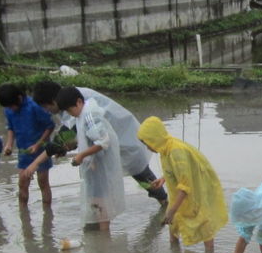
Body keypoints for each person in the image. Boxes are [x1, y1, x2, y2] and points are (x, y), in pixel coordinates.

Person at [32, 80, 165, 202]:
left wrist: (34, 165)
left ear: (53, 101)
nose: (47, 111)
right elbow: (77, 134)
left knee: (140, 174)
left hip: (123, 138)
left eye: (46, 107)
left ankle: (165, 202)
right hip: (107, 142)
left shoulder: (73, 102)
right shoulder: (69, 100)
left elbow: (63, 137)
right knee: (102, 187)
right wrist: (66, 147)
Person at [136, 115, 226, 253]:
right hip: (177, 194)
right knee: (173, 227)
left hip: (190, 193)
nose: (148, 147)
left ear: (154, 138)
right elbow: (175, 171)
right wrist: (163, 179)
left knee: (202, 224)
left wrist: (172, 210)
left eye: (147, 143)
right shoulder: (165, 148)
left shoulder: (175, 151)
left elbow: (185, 186)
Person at [59, 86, 127, 231]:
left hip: (100, 165)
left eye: (70, 110)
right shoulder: (81, 115)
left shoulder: (89, 115)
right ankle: (100, 235)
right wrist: (71, 145)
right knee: (95, 200)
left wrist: (82, 155)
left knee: (100, 200)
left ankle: (104, 237)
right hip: (94, 165)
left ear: (78, 102)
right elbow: (86, 136)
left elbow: (103, 141)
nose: (70, 114)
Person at [0, 82, 55, 206]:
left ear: (19, 98)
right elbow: (11, 127)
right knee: (22, 183)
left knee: (43, 182)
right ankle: (24, 217)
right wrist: (9, 144)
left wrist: (38, 145)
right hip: (24, 150)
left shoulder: (35, 107)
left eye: (12, 106)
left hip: (41, 150)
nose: (10, 109)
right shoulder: (9, 110)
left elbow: (50, 126)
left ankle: (47, 216)